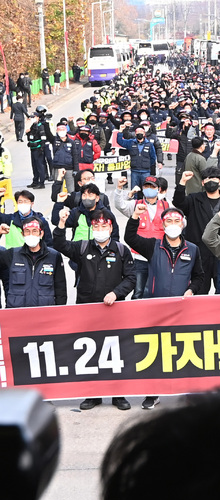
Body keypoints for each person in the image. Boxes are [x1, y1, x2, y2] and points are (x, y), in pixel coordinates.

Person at [54, 206, 135, 411]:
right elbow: (60, 244)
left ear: (111, 227)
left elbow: (132, 278)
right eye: (96, 225)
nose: (100, 228)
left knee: (115, 353)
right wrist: (62, 223)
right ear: (92, 227)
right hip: (87, 310)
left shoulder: (121, 250)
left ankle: (118, 395)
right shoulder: (82, 248)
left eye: (104, 225)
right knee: (91, 352)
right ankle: (93, 394)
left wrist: (116, 293)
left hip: (114, 310)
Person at [173, 167, 220, 294]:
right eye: (207, 179)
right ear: (202, 182)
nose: (211, 181)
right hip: (199, 253)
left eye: (214, 178)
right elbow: (178, 202)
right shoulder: (194, 199)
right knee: (199, 293)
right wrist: (182, 182)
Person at [114, 174, 170, 299]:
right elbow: (120, 205)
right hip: (140, 257)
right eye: (146, 186)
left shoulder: (166, 206)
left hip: (160, 255)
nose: (149, 189)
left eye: (152, 186)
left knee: (157, 289)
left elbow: (179, 220)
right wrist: (119, 188)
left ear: (158, 189)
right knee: (138, 291)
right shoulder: (135, 205)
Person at [0, 217, 66, 307]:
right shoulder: (12, 254)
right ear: (22, 234)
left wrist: (58, 312)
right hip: (17, 313)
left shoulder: (54, 256)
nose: (31, 234)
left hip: (44, 312)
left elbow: (60, 289)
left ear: (41, 233)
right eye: (27, 231)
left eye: (34, 231)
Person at [116, 123, 159, 191]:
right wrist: (120, 131)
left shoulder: (149, 144)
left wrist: (146, 164)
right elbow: (120, 141)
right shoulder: (131, 142)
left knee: (146, 189)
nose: (139, 133)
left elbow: (153, 157)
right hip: (134, 171)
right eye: (138, 132)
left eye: (141, 132)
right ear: (135, 134)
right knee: (134, 190)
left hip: (146, 171)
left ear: (144, 134)